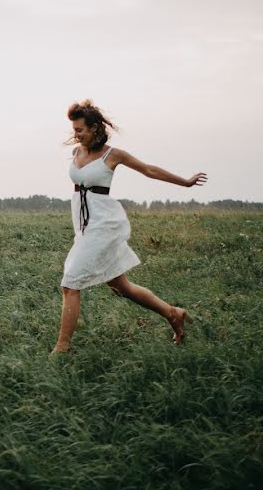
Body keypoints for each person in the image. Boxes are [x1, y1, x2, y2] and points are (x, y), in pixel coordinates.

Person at [53, 100, 207, 354]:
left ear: (94, 128)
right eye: (74, 129)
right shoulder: (77, 153)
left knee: (70, 284)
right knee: (121, 287)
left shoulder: (112, 155)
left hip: (103, 225)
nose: (76, 134)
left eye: (80, 129)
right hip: (83, 226)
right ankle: (173, 313)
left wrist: (186, 183)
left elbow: (149, 170)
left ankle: (62, 347)